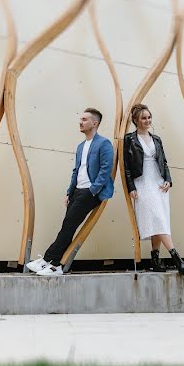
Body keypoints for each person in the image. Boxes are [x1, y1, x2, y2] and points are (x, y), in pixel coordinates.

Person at [26, 108, 115, 276]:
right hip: (77, 192)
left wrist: (93, 190)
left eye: (84, 119)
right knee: (67, 227)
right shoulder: (81, 146)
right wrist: (69, 192)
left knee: (68, 226)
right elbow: (76, 170)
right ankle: (54, 264)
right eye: (80, 119)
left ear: (95, 123)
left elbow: (106, 169)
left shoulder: (104, 143)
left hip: (90, 193)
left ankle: (49, 261)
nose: (80, 122)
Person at [123, 103, 184, 274]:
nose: (147, 120)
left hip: (158, 182)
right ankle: (176, 258)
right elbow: (127, 167)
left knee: (159, 219)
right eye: (143, 118)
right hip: (142, 182)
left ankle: (155, 259)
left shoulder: (157, 139)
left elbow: (164, 162)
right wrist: (131, 187)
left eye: (149, 117)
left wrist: (168, 180)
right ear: (136, 121)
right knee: (158, 218)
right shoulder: (129, 139)